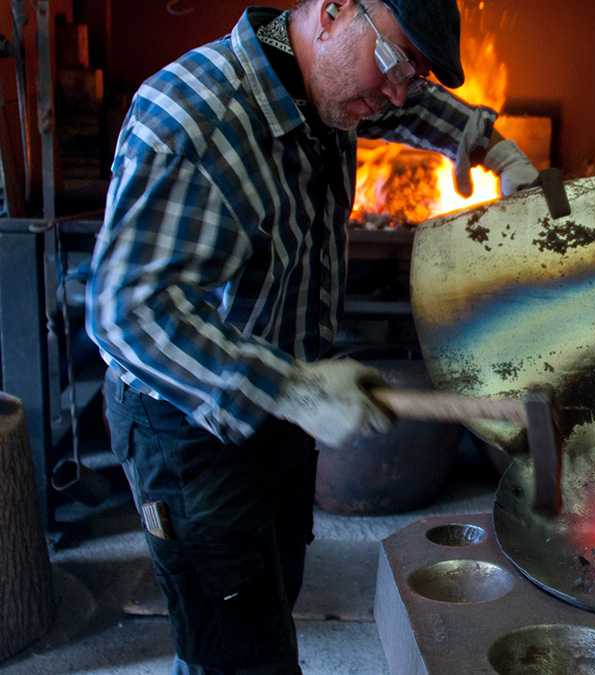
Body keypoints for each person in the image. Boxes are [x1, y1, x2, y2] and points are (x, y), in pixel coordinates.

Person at [85, 0, 538, 672]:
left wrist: (485, 142)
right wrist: (290, 386)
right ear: (330, 12)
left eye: (410, 75)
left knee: (271, 590)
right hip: (189, 429)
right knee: (232, 648)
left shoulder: (318, 69)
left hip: (281, 406)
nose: (392, 93)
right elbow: (125, 312)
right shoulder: (191, 121)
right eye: (391, 62)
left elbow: (399, 101)